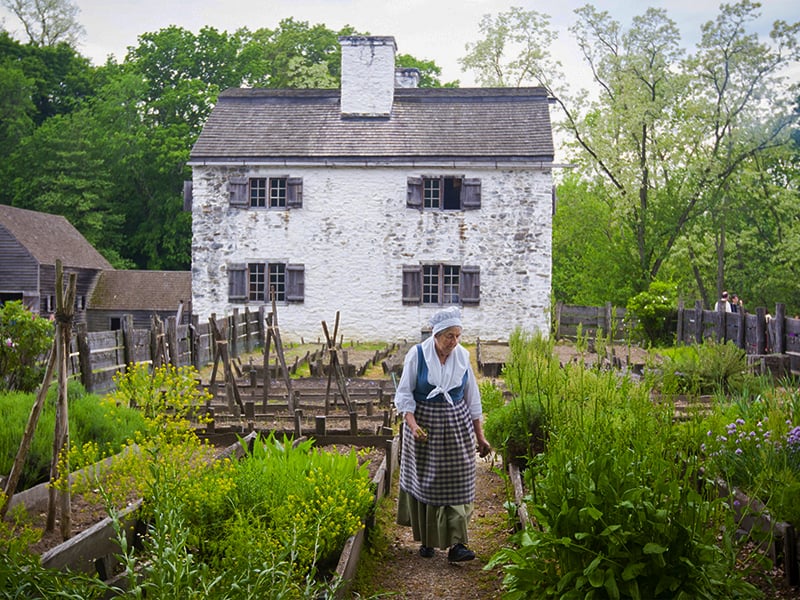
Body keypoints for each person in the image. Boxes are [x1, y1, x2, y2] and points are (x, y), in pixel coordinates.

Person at [394, 306, 491, 562]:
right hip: (425, 427)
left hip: (457, 427)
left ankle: (457, 545)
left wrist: (480, 436)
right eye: (450, 336)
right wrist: (413, 426)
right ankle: (427, 540)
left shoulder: (462, 356)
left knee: (460, 478)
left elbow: (472, 398)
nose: (454, 342)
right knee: (429, 482)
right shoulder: (417, 355)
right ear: (436, 335)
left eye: (458, 336)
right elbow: (404, 394)